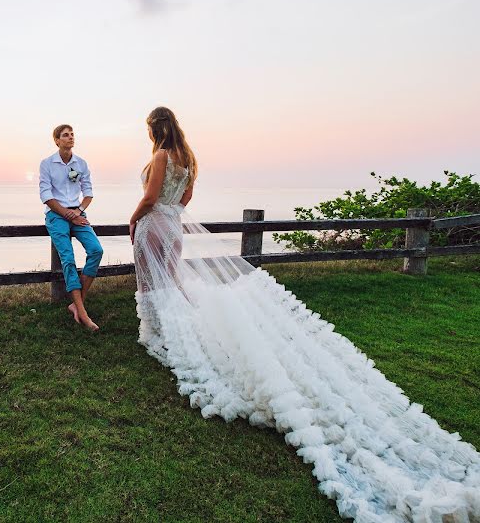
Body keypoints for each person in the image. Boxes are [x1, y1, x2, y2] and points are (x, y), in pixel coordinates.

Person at [130, 107, 480, 522]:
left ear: (154, 129)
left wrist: (134, 220)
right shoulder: (188, 160)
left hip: (155, 223)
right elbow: (184, 199)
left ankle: (157, 331)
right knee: (170, 280)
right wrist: (167, 211)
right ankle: (170, 328)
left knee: (153, 284)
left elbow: (151, 197)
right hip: (174, 228)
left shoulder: (159, 157)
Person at [40, 124, 103, 331]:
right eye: (65, 135)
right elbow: (46, 195)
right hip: (56, 216)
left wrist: (79, 210)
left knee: (96, 250)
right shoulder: (47, 164)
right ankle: (83, 314)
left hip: (77, 213)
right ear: (57, 140)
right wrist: (67, 214)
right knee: (68, 259)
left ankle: (76, 304)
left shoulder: (81, 163)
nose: (70, 137)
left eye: (72, 134)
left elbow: (88, 192)